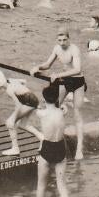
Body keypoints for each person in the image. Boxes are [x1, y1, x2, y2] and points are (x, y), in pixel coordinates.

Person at [33, 30, 86, 160]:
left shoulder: (75, 50)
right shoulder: (57, 48)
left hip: (78, 81)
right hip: (65, 81)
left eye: (64, 40)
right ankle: (48, 139)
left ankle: (79, 149)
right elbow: (47, 64)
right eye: (59, 40)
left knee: (77, 114)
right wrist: (37, 67)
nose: (62, 43)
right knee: (53, 107)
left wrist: (58, 75)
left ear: (69, 39)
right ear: (57, 40)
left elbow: (77, 69)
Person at [0, 69, 45, 156]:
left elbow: (18, 105)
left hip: (28, 103)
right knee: (22, 124)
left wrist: (14, 118)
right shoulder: (10, 80)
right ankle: (42, 138)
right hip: (32, 99)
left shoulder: (9, 90)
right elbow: (23, 81)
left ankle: (15, 149)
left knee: (10, 123)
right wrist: (24, 93)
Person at [34, 83, 71, 197]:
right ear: (57, 99)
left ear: (44, 99)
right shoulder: (62, 112)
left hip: (47, 148)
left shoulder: (41, 113)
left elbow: (35, 107)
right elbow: (64, 109)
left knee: (41, 185)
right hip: (60, 147)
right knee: (62, 185)